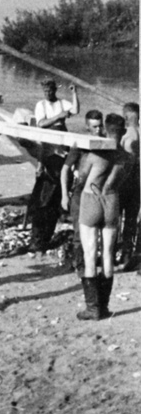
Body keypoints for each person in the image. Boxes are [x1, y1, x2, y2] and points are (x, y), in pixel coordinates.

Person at [75, 114, 129, 319]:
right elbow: (121, 180)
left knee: (90, 253)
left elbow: (81, 178)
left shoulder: (95, 154)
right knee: (107, 254)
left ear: (105, 130)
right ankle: (104, 306)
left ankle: (93, 308)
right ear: (123, 132)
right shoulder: (126, 157)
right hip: (112, 200)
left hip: (92, 198)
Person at [61, 110, 105, 273]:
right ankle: (79, 264)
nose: (98, 130)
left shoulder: (105, 144)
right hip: (79, 192)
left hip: (98, 193)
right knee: (80, 231)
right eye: (94, 127)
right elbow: (65, 169)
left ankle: (90, 261)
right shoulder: (80, 145)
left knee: (96, 230)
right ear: (87, 127)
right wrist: (65, 195)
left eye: (100, 126)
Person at [119, 102, 140, 270]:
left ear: (126, 117)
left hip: (125, 181)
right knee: (132, 220)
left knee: (116, 218)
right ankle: (127, 254)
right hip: (138, 183)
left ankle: (114, 253)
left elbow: (125, 163)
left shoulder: (126, 136)